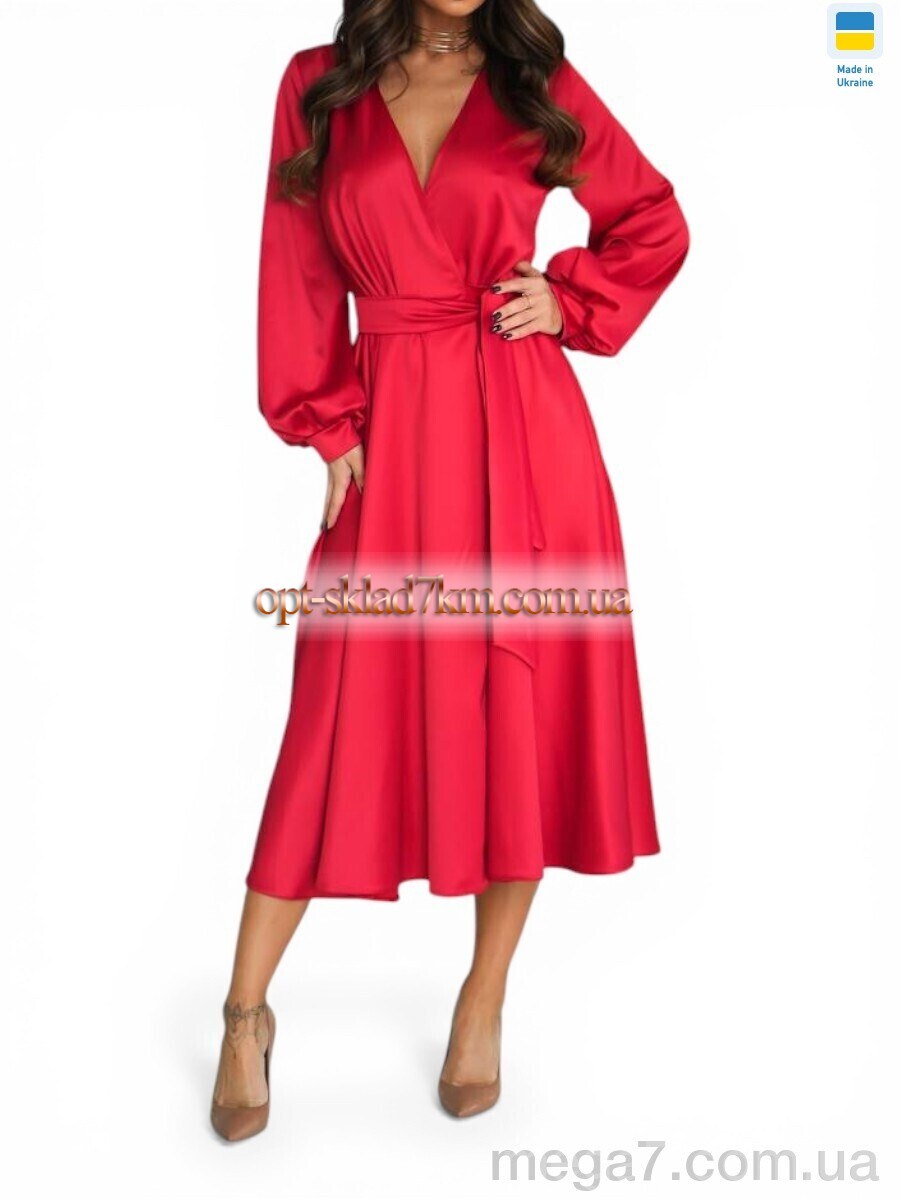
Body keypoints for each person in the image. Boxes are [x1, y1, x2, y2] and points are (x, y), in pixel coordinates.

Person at [211, 0, 689, 1140]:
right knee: (332, 717)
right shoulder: (317, 83)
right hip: (388, 434)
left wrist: (568, 298)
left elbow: (652, 220)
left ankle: (484, 997)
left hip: (524, 436)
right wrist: (325, 423)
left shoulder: (537, 81)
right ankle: (243, 1009)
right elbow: (295, 267)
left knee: (521, 711)